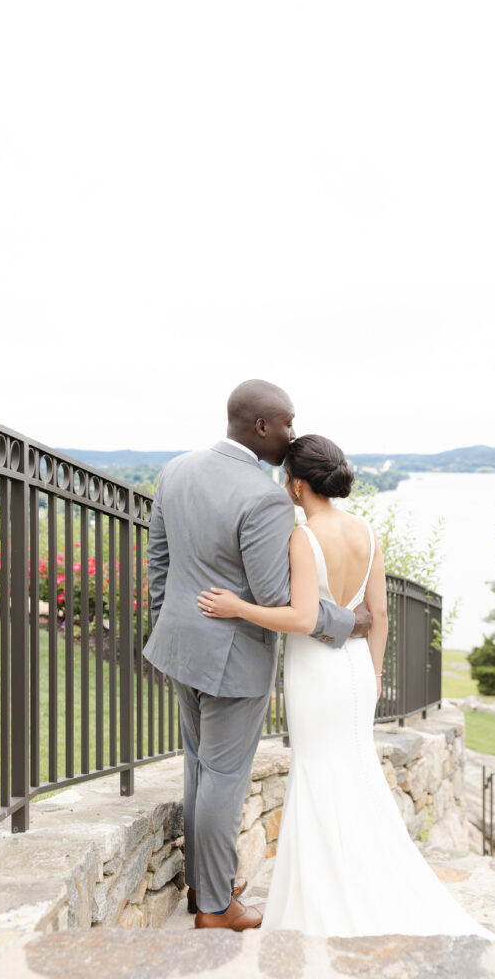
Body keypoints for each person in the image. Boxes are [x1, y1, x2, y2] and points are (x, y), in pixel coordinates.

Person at [198, 433, 495, 941]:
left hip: (315, 673)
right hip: (358, 669)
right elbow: (378, 614)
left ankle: (321, 900)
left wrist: (238, 607)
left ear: (295, 485)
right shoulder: (366, 529)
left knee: (318, 774)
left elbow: (299, 617)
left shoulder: (302, 537)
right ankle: (360, 884)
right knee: (355, 775)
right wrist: (376, 673)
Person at [143, 381, 371, 932]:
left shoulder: (176, 469)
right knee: (223, 776)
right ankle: (217, 910)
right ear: (263, 427)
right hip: (232, 659)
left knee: (200, 767)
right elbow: (276, 598)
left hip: (181, 647)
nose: (293, 432)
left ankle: (207, 883)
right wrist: (349, 621)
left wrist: (167, 626)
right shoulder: (266, 497)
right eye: (288, 423)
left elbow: (159, 560)